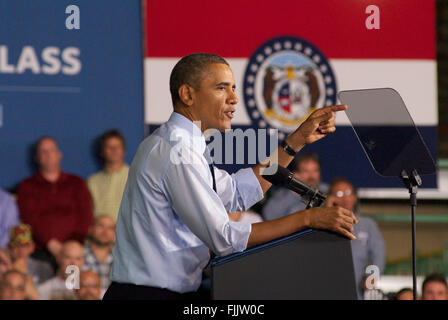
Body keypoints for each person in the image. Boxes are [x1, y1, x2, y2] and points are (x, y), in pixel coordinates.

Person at [104, 53, 357, 300]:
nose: (234, 98)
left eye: (234, 88)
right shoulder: (174, 150)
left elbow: (236, 192)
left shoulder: (185, 145)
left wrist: (296, 140)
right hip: (147, 295)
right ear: (188, 94)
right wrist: (309, 218)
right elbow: (223, 237)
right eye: (221, 88)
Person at [17, 136, 93, 269]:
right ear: (37, 157)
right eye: (43, 151)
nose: (48, 155)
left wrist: (71, 245)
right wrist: (50, 243)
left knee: (72, 286)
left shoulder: (76, 183)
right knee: (45, 289)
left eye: (51, 150)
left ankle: (73, 285)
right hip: (41, 253)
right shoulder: (27, 186)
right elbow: (28, 219)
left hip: (74, 251)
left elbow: (85, 216)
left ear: (59, 154)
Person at [326, 177, 386, 300]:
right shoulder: (322, 224)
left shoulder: (367, 224)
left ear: (354, 197)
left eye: (348, 193)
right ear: (330, 198)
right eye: (339, 194)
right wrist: (327, 210)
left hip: (356, 291)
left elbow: (379, 254)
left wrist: (372, 276)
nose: (345, 198)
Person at [262, 152, 328, 221]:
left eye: (315, 171)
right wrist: (294, 191)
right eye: (306, 171)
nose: (311, 176)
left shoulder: (329, 191)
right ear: (296, 174)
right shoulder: (284, 194)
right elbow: (269, 216)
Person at [87, 130, 129, 222]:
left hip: (127, 234)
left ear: (124, 150)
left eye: (117, 146)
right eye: (109, 147)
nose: (114, 150)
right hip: (99, 234)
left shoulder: (135, 177)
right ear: (102, 152)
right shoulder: (92, 181)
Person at [83, 215, 115, 290]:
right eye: (101, 226)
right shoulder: (78, 254)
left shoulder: (121, 257)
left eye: (110, 228)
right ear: (90, 229)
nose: (105, 231)